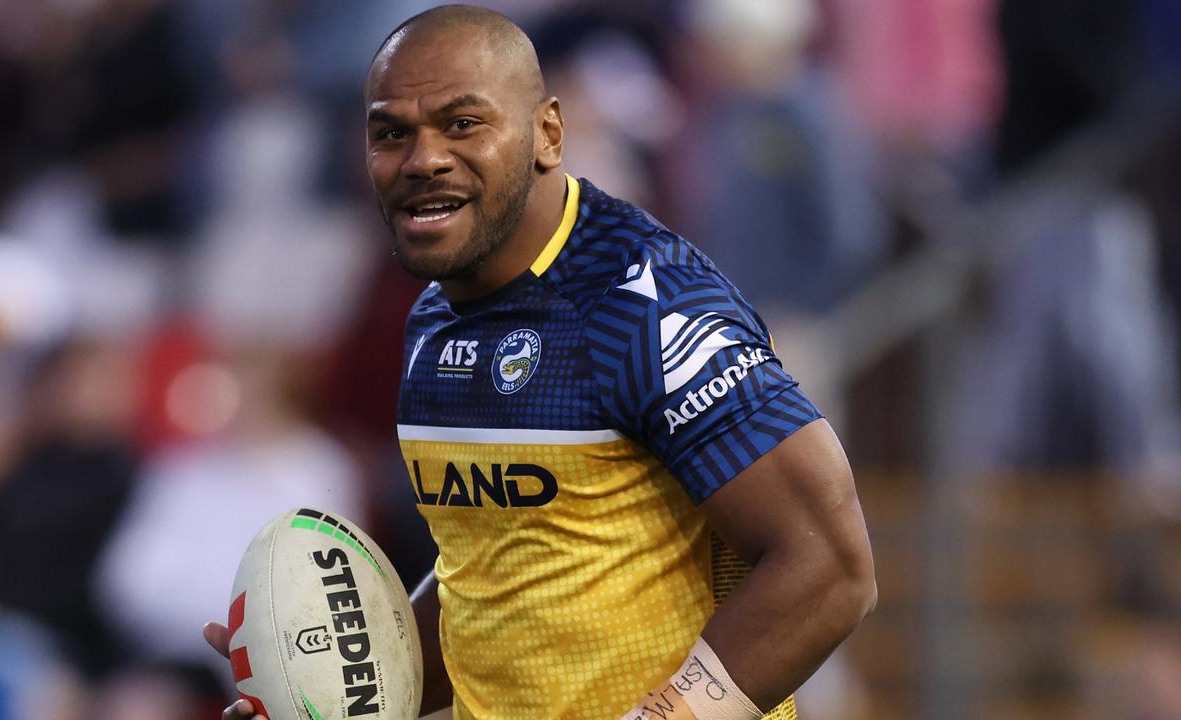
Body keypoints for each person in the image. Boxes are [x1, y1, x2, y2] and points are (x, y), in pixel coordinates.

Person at [203, 5, 876, 719]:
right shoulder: (434, 317)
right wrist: (338, 692)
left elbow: (829, 567)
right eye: (392, 132)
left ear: (547, 134)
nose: (423, 158)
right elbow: (495, 580)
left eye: (463, 124)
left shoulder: (648, 302)